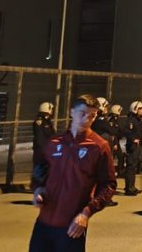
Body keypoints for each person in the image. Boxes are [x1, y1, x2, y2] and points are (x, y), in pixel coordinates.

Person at [30, 94, 115, 252]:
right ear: (71, 112)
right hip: (43, 224)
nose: (86, 119)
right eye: (82, 113)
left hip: (72, 226)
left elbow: (109, 185)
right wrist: (37, 190)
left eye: (92, 116)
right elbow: (40, 171)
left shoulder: (99, 147)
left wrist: (87, 212)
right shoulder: (54, 142)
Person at [122, 101, 142, 196]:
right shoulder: (131, 120)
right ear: (135, 109)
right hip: (132, 146)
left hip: (137, 146)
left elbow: (140, 132)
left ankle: (132, 186)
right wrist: (133, 139)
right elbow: (126, 131)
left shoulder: (138, 120)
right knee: (130, 167)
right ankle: (128, 188)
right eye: (140, 109)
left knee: (134, 167)